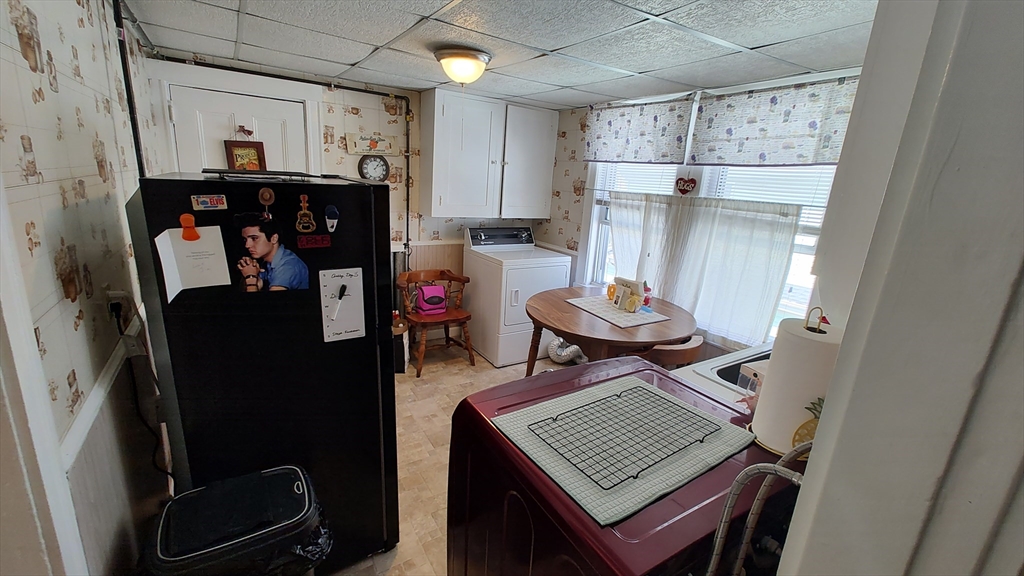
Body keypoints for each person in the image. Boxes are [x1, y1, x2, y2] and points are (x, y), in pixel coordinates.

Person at [235, 212, 308, 291]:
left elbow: (271, 302)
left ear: (274, 238)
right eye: (245, 239)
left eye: (254, 238)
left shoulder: (287, 266)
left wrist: (250, 277)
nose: (247, 245)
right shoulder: (267, 263)